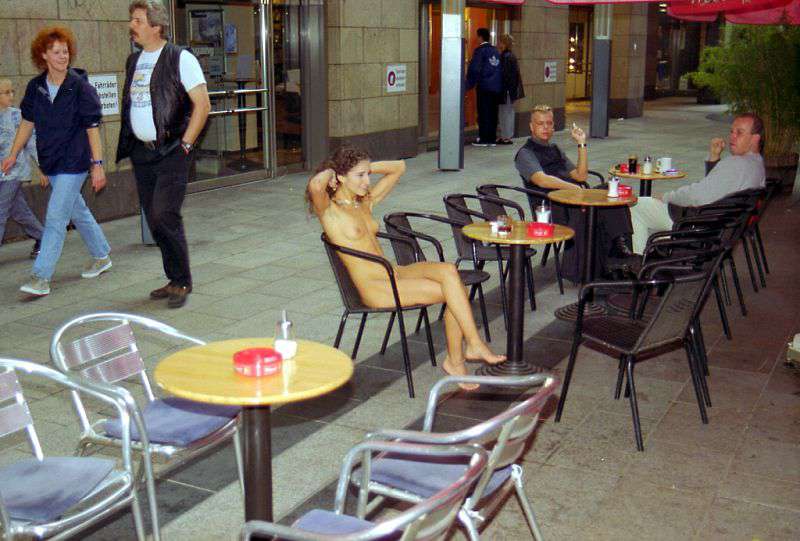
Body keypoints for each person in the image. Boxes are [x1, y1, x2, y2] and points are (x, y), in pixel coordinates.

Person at [306, 146, 504, 390]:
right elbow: (316, 185)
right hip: (376, 288)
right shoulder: (329, 211)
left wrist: (361, 168)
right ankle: (462, 356)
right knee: (457, 292)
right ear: (340, 177)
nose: (367, 181)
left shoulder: (363, 202)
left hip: (394, 272)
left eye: (368, 174)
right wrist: (334, 170)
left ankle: (469, 348)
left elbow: (399, 167)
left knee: (449, 272)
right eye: (360, 176)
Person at [1, 27, 111, 297]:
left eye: (66, 52)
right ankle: (102, 255)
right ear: (43, 55)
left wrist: (97, 164)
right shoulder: (36, 87)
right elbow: (27, 123)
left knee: (55, 216)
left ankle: (40, 276)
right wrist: (13, 153)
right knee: (77, 210)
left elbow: (92, 129)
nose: (63, 56)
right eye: (57, 52)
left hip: (75, 161)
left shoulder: (80, 87)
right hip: (51, 161)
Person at [116, 0, 211, 308]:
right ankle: (173, 278)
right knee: (154, 219)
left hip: (172, 151)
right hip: (142, 153)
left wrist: (186, 145)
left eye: (138, 21)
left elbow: (203, 105)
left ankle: (182, 281)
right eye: (132, 20)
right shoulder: (134, 61)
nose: (132, 26)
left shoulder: (180, 57)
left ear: (156, 26)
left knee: (164, 214)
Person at [514, 105, 634, 282]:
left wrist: (581, 144)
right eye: (540, 124)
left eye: (549, 123)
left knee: (608, 190)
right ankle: (611, 256)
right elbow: (542, 180)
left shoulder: (555, 149)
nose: (545, 127)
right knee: (596, 208)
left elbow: (581, 175)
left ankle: (619, 245)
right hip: (551, 207)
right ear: (531, 127)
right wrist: (573, 188)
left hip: (573, 200)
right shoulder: (525, 153)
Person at [630, 113, 766, 253]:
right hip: (720, 225)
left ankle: (638, 258)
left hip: (697, 224)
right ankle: (655, 251)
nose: (732, 136)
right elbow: (717, 187)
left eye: (740, 133)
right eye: (732, 131)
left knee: (635, 205)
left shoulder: (736, 163)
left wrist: (666, 197)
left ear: (755, 138)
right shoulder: (757, 164)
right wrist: (714, 157)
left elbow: (697, 196)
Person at [0, 78, 43, 259]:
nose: (11, 96)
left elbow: (32, 143)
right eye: (6, 93)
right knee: (19, 211)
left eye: (12, 92)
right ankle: (43, 238)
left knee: (1, 211)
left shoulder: (18, 116)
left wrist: (42, 168)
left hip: (14, 173)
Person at [466, 28, 502, 147]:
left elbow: (475, 69)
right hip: (496, 87)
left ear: (480, 37)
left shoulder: (480, 51)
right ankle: (491, 138)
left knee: (484, 112)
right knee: (493, 113)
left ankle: (484, 139)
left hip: (484, 87)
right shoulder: (495, 51)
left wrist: (468, 85)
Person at [496, 34, 524, 145]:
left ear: (504, 43)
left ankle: (506, 136)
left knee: (505, 113)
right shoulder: (510, 56)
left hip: (506, 90)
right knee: (506, 112)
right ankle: (505, 135)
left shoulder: (506, 57)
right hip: (509, 90)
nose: (498, 44)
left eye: (500, 42)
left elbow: (505, 75)